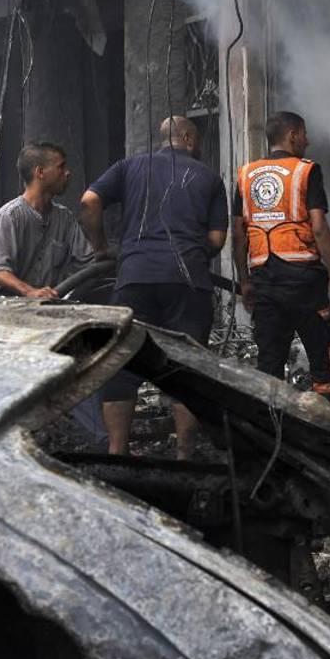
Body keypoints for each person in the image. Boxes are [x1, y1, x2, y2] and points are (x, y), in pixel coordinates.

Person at [78, 116, 228, 458]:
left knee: (124, 363)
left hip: (134, 278)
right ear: (188, 138)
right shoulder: (208, 177)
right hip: (187, 282)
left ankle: (118, 453)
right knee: (187, 368)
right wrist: (195, 254)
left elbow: (88, 202)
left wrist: (102, 247)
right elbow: (217, 238)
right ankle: (184, 455)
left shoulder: (127, 167)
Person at [232, 111, 330, 407]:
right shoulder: (306, 170)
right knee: (322, 362)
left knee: (269, 365)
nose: (307, 140)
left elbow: (238, 234)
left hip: (265, 280)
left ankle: (270, 437)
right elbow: (318, 226)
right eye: (304, 134)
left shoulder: (245, 174)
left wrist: (244, 281)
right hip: (304, 280)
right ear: (292, 135)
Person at [0, 142, 92, 298]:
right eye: (61, 167)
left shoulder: (65, 219)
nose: (67, 173)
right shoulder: (9, 217)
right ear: (40, 172)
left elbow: (88, 262)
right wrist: (30, 292)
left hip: (39, 307)